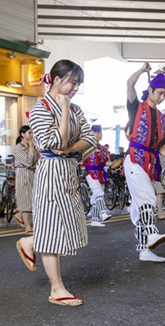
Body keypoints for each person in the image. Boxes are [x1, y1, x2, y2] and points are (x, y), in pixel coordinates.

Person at [16, 59, 96, 306]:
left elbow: (90, 139)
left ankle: (30, 241)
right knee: (52, 228)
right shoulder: (41, 109)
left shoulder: (76, 108)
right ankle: (57, 289)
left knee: (68, 222)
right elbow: (54, 144)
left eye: (78, 84)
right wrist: (63, 115)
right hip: (50, 172)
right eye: (73, 82)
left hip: (70, 169)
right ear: (57, 79)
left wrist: (69, 147)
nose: (75, 88)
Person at [125, 62, 165, 263]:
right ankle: (151, 234)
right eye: (159, 92)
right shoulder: (135, 107)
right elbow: (130, 83)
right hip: (134, 159)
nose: (162, 97)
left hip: (150, 163)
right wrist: (142, 70)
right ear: (149, 90)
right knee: (148, 197)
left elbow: (162, 147)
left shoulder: (163, 119)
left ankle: (144, 251)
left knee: (139, 209)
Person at [82, 125, 112, 227]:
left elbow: (105, 162)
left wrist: (114, 163)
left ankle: (94, 220)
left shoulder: (103, 148)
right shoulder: (86, 145)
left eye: (100, 133)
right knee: (98, 191)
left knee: (96, 196)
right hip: (90, 171)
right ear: (92, 134)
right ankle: (103, 213)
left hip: (100, 172)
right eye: (98, 133)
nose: (100, 135)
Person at [14, 125, 40, 233]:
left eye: (32, 133)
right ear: (22, 135)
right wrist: (30, 148)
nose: (31, 135)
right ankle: (28, 227)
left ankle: (19, 215)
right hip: (22, 175)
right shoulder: (19, 148)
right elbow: (29, 162)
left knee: (33, 199)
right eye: (29, 133)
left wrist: (32, 165)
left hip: (31, 173)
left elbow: (38, 160)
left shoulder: (33, 146)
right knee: (25, 200)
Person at [154, 150, 165, 220]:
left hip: (157, 174)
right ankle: (160, 214)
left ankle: (158, 211)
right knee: (160, 194)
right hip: (160, 175)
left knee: (162, 194)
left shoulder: (156, 150)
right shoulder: (161, 150)